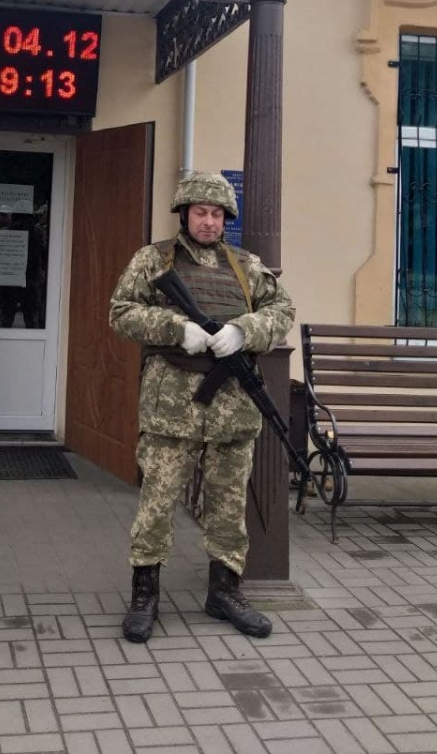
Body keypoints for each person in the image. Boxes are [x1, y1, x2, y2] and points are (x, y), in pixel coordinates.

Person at [110, 170, 294, 644]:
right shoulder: (153, 260)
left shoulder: (246, 266)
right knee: (157, 502)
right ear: (184, 214)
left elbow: (282, 311)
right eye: (200, 212)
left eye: (216, 214)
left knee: (228, 504)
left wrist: (244, 331)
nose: (208, 221)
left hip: (232, 408)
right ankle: (144, 594)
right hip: (172, 406)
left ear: (225, 218)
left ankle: (225, 592)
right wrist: (178, 329)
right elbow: (122, 312)